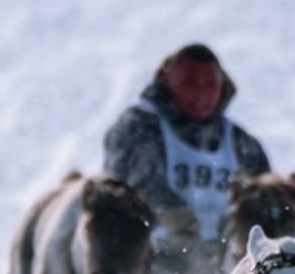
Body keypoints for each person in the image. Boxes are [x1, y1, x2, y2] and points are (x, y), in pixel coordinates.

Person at [103, 43, 271, 241]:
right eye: (189, 83)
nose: (201, 94)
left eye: (209, 84)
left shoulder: (240, 143)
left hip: (228, 253)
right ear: (167, 82)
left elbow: (267, 193)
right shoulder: (140, 127)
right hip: (152, 256)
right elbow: (134, 185)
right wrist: (181, 222)